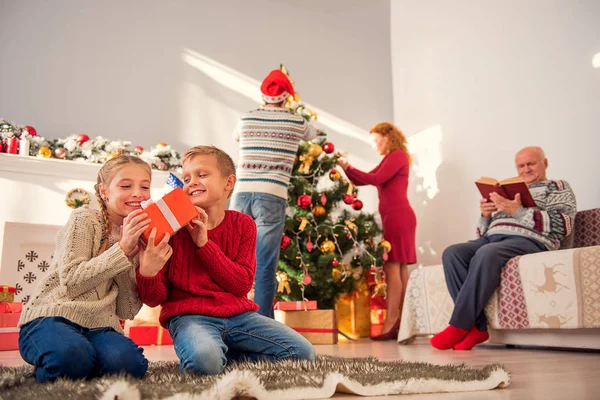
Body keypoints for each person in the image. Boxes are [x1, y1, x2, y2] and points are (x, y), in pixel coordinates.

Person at [137, 145, 315, 375]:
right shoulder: (171, 228)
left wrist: (204, 244)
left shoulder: (243, 224)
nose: (191, 183)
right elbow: (154, 299)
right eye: (187, 178)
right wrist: (148, 272)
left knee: (303, 353)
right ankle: (215, 358)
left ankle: (224, 359)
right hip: (190, 317)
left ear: (228, 183)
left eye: (202, 175)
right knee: (204, 361)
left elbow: (240, 285)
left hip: (241, 317)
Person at [17, 155, 168, 382]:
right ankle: (69, 358)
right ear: (104, 191)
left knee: (130, 366)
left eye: (145, 187)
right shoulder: (84, 219)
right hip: (53, 316)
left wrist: (145, 269)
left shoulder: (140, 237)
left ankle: (80, 361)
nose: (138, 193)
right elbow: (72, 282)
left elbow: (126, 311)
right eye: (126, 186)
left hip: (100, 326)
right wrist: (123, 249)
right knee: (72, 358)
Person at [431, 146, 577, 350]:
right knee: (452, 253)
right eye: (521, 165)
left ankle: (458, 325)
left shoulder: (557, 186)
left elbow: (564, 224)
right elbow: (482, 235)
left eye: (531, 163)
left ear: (545, 163)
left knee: (487, 253)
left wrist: (519, 212)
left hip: (531, 241)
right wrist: (485, 216)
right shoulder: (509, 191)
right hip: (493, 238)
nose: (526, 169)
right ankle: (477, 328)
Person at [230, 69, 318, 318]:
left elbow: (235, 137)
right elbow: (314, 135)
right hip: (272, 193)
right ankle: (263, 323)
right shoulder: (296, 121)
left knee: (233, 260)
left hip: (242, 192)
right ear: (286, 96)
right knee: (265, 263)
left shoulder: (246, 118)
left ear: (263, 94)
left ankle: (232, 316)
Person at [337, 122, 417, 341]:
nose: (373, 146)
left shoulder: (398, 155)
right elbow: (361, 179)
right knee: (398, 269)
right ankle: (404, 323)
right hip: (394, 217)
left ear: (387, 136)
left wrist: (347, 166)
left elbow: (375, 179)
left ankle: (392, 322)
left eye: (375, 140)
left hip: (399, 217)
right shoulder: (390, 159)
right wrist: (346, 167)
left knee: (393, 267)